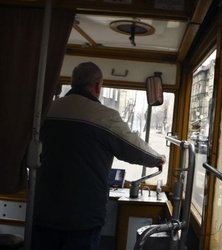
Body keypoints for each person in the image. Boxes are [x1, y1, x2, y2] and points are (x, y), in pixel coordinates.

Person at [32, 62, 166, 250]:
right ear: (97, 86)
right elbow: (134, 149)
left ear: (72, 83)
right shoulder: (104, 116)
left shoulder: (47, 110)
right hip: (82, 216)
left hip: (43, 209)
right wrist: (158, 159)